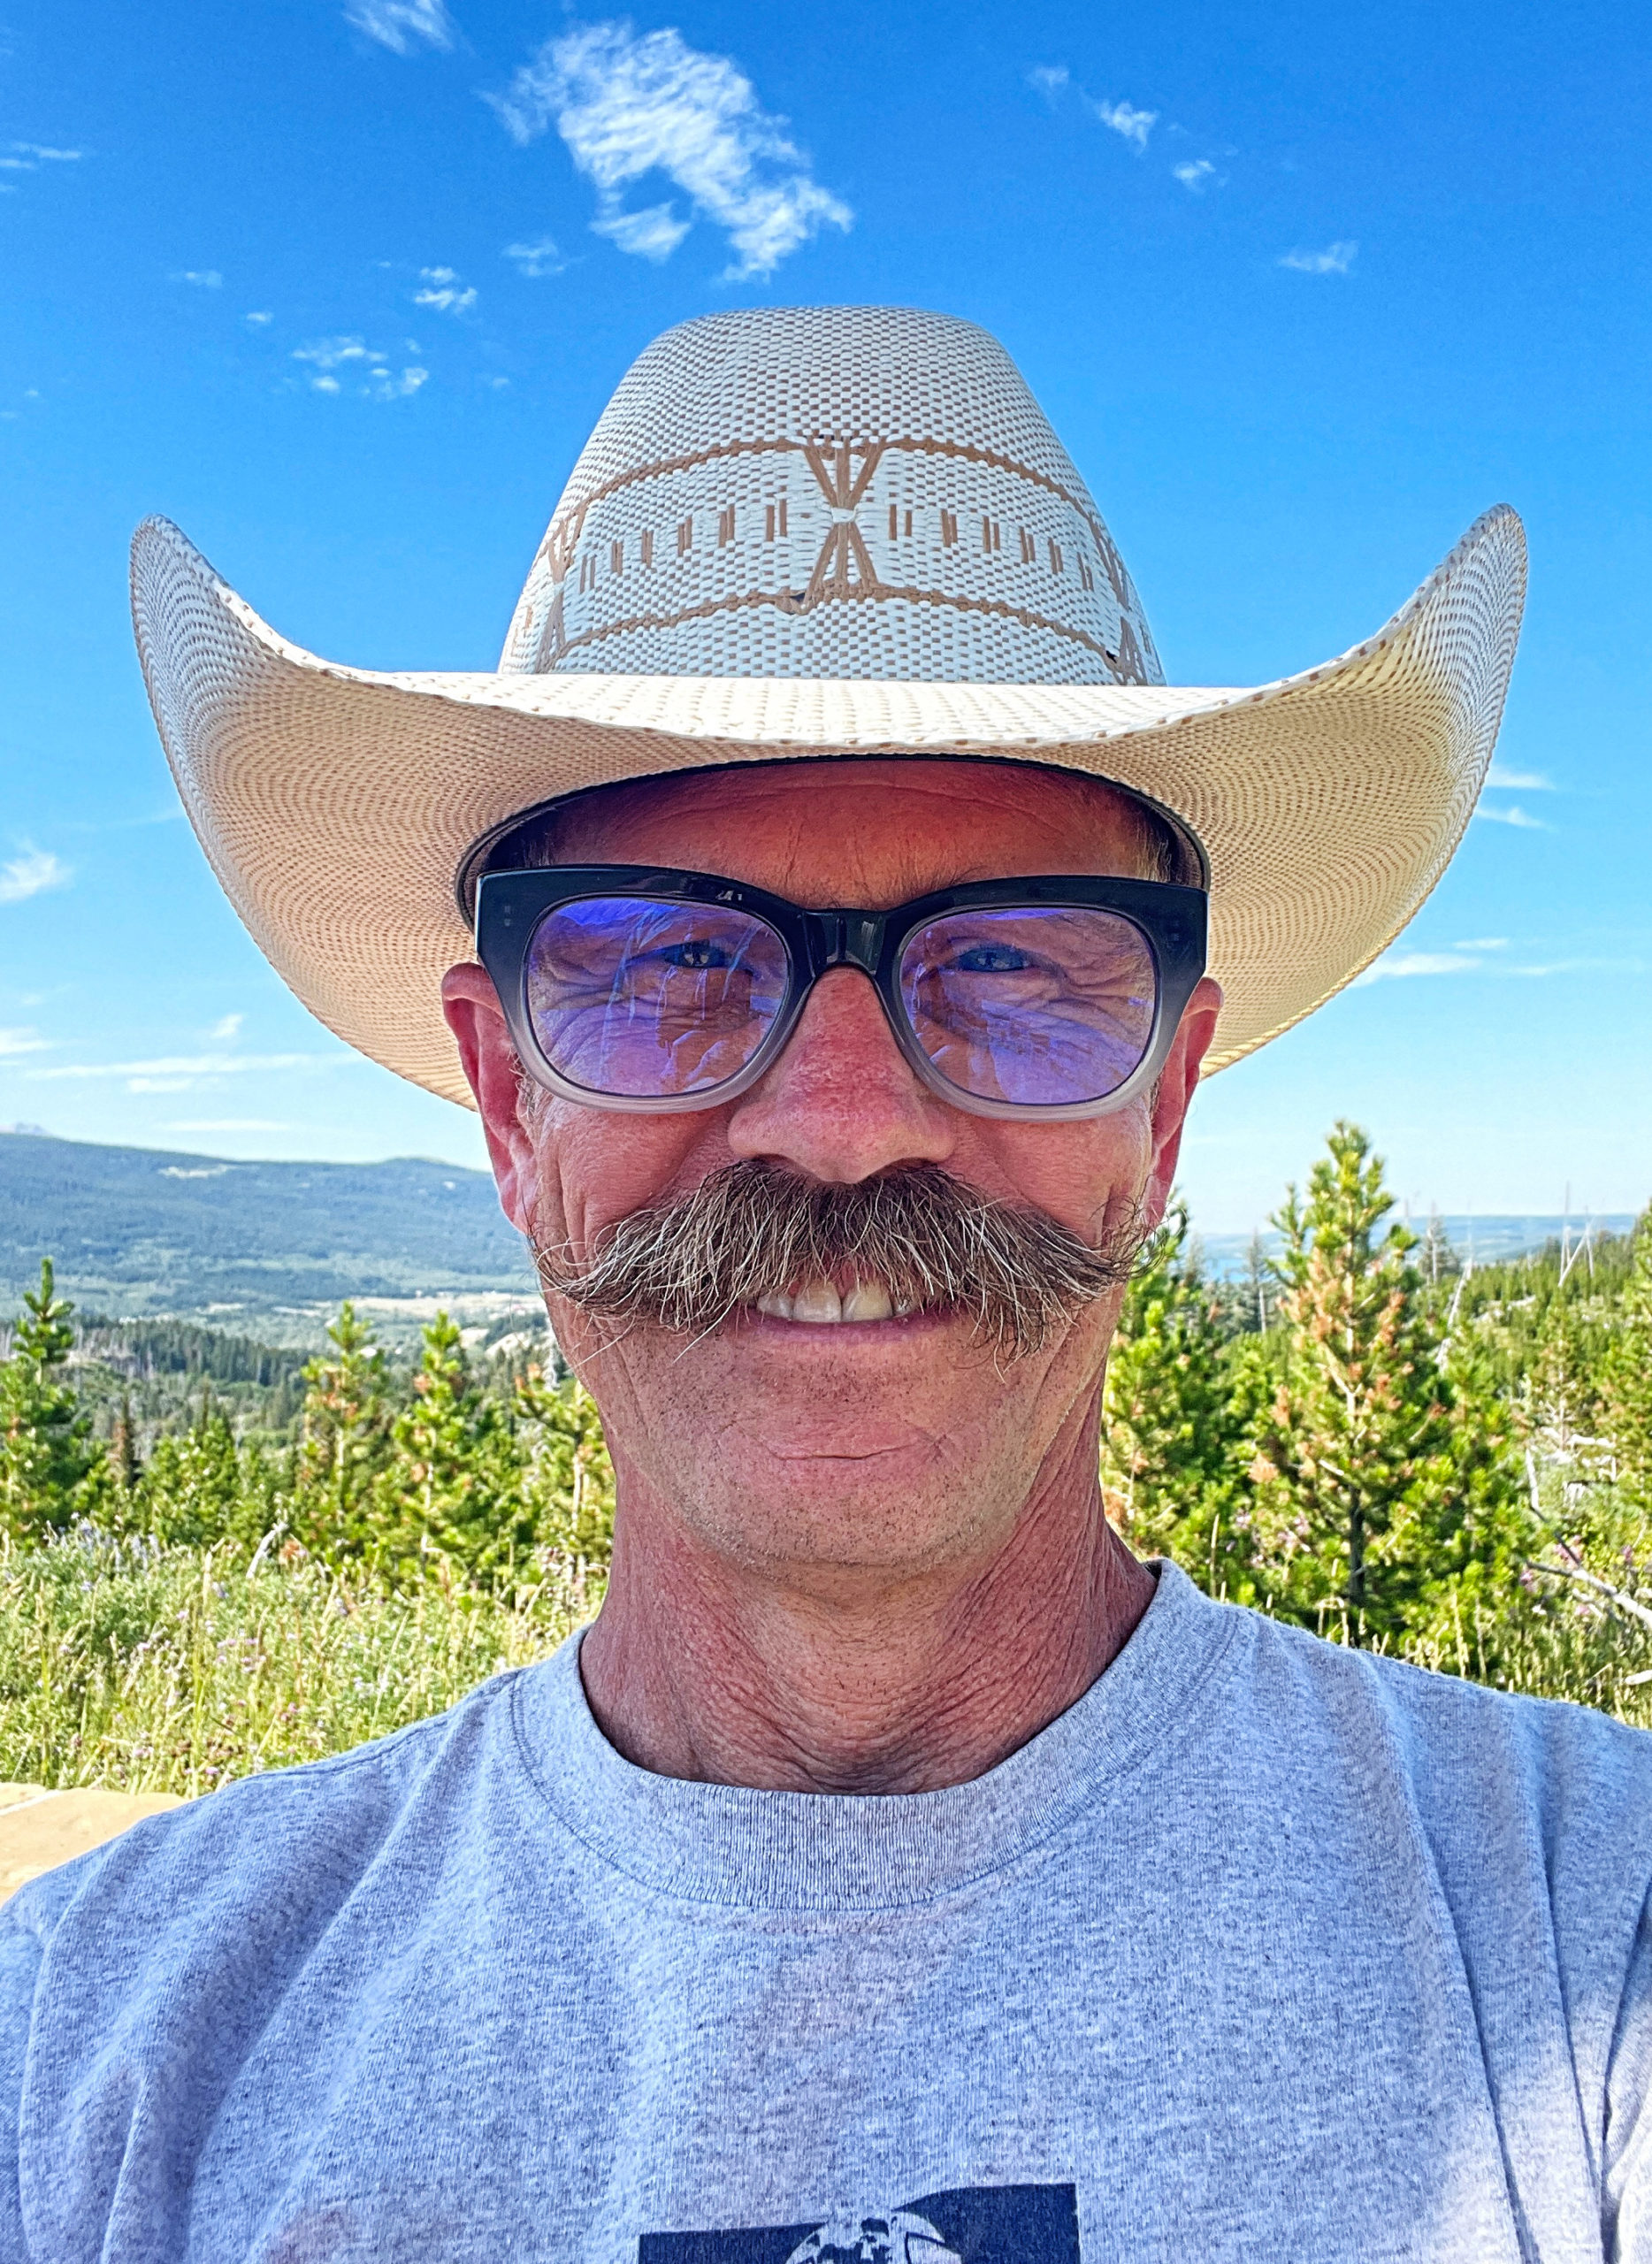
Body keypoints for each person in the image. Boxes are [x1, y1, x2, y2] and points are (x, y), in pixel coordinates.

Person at [3, 306, 1645, 2264]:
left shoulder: (1579, 1939)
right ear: (508, 1094)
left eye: (1018, 966)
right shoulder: (94, 2053)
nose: (846, 1121)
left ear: (1170, 1098)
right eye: (674, 959)